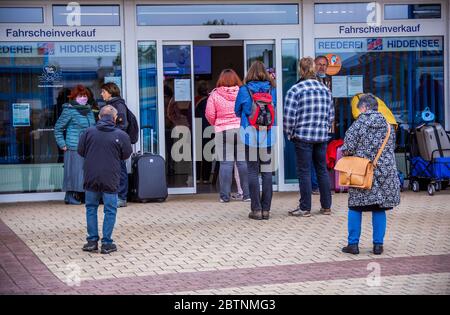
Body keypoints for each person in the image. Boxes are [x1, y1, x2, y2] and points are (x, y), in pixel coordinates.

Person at [340, 94, 400, 255]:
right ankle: (378, 245)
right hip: (385, 172)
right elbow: (391, 147)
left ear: (364, 108)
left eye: (359, 109)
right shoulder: (388, 125)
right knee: (379, 208)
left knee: (355, 207)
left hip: (362, 171)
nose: (359, 112)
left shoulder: (358, 125)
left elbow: (347, 148)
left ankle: (353, 245)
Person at [78, 105, 132, 254]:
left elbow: (80, 151)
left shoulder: (88, 132)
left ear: (99, 117)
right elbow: (126, 154)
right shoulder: (121, 135)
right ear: (115, 119)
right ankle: (107, 243)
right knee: (110, 210)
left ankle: (92, 241)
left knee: (91, 208)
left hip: (91, 177)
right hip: (111, 177)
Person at [284, 57, 334, 217]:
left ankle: (305, 208)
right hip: (321, 136)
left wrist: (290, 133)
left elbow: (289, 117)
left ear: (301, 70)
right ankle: (326, 207)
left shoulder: (295, 89)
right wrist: (324, 130)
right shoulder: (325, 90)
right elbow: (330, 115)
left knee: (304, 172)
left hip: (302, 136)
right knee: (322, 170)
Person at [235, 61, 276, 220]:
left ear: (249, 73)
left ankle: (256, 209)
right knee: (266, 172)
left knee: (252, 171)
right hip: (267, 136)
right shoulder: (271, 89)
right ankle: (266, 210)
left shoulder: (244, 90)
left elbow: (236, 111)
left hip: (250, 136)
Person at [206, 69, 250, 203]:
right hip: (241, 129)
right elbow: (248, 110)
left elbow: (209, 114)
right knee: (243, 163)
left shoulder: (214, 94)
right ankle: (247, 195)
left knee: (226, 163)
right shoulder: (243, 92)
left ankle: (224, 196)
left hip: (223, 130)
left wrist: (217, 124)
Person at [54, 85, 96, 205]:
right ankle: (70, 196)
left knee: (83, 173)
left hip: (87, 147)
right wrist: (62, 144)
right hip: (73, 146)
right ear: (74, 97)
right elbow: (58, 128)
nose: (83, 98)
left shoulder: (89, 110)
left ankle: (76, 196)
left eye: (85, 96)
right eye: (80, 96)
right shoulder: (69, 110)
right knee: (73, 172)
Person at [100, 82, 129, 208]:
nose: (101, 94)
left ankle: (122, 197)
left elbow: (122, 125)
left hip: (115, 143)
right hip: (111, 141)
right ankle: (114, 196)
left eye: (103, 92)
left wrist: (113, 137)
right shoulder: (111, 105)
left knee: (120, 169)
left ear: (110, 92)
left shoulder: (118, 105)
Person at [195, 82, 212, 184]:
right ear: (206, 91)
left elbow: (190, 115)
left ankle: (196, 178)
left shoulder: (194, 100)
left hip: (197, 128)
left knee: (197, 155)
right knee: (208, 154)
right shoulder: (209, 100)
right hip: (209, 129)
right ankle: (206, 178)